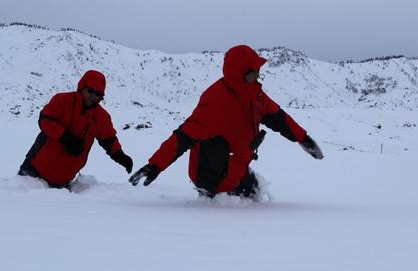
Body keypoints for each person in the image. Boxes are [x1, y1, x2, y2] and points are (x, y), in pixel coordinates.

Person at [129, 44, 324, 199]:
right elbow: (182, 139)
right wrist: (155, 166)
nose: (258, 74)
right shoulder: (216, 101)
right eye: (254, 70)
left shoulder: (254, 94)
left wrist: (303, 138)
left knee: (254, 193)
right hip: (213, 180)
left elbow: (279, 119)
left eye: (258, 70)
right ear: (241, 71)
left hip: (237, 169)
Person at [18, 70, 133, 189]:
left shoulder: (101, 117)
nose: (93, 96)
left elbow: (109, 140)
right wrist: (65, 138)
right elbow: (45, 120)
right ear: (82, 87)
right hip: (34, 168)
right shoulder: (62, 100)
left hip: (62, 180)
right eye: (90, 90)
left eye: (98, 93)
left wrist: (121, 156)